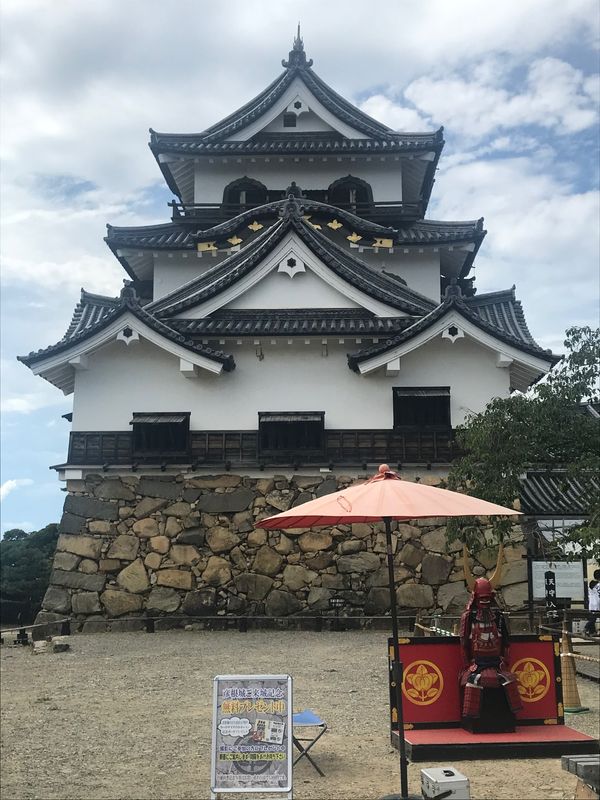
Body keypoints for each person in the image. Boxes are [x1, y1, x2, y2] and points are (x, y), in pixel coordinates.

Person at [459, 577, 522, 729]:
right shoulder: (469, 617)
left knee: (509, 681)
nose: (485, 601)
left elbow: (506, 642)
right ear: (475, 597)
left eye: (488, 597)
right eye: (482, 598)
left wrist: (504, 661)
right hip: (477, 663)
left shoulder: (499, 617)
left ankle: (506, 723)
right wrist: (468, 663)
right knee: (473, 682)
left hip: (497, 662)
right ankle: (473, 722)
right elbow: (464, 643)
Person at [583, 568, 600, 636]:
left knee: (593, 618)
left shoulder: (590, 584)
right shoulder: (598, 585)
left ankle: (592, 632)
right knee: (593, 619)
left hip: (591, 604)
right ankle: (585, 629)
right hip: (597, 604)